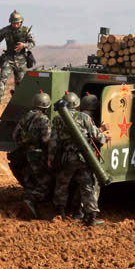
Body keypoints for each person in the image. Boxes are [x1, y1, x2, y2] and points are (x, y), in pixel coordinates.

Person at [48, 91, 111, 227]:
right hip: (83, 157)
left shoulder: (58, 119)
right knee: (87, 186)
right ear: (77, 104)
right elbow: (96, 135)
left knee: (62, 184)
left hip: (66, 158)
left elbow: (53, 141)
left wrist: (51, 157)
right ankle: (91, 217)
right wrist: (105, 137)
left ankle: (60, 213)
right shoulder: (83, 117)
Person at [10, 91, 53, 218]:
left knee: (29, 180)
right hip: (37, 155)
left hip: (24, 152)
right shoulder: (44, 119)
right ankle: (31, 201)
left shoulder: (26, 116)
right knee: (45, 182)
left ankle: (28, 204)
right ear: (46, 105)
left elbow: (14, 135)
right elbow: (46, 139)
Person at [0, 10, 35, 105]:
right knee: (3, 77)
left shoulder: (26, 31)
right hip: (9, 57)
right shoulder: (5, 31)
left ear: (21, 22)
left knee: (20, 82)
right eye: (14, 23)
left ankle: (18, 99)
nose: (16, 25)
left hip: (21, 59)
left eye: (18, 23)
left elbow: (32, 43)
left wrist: (24, 45)